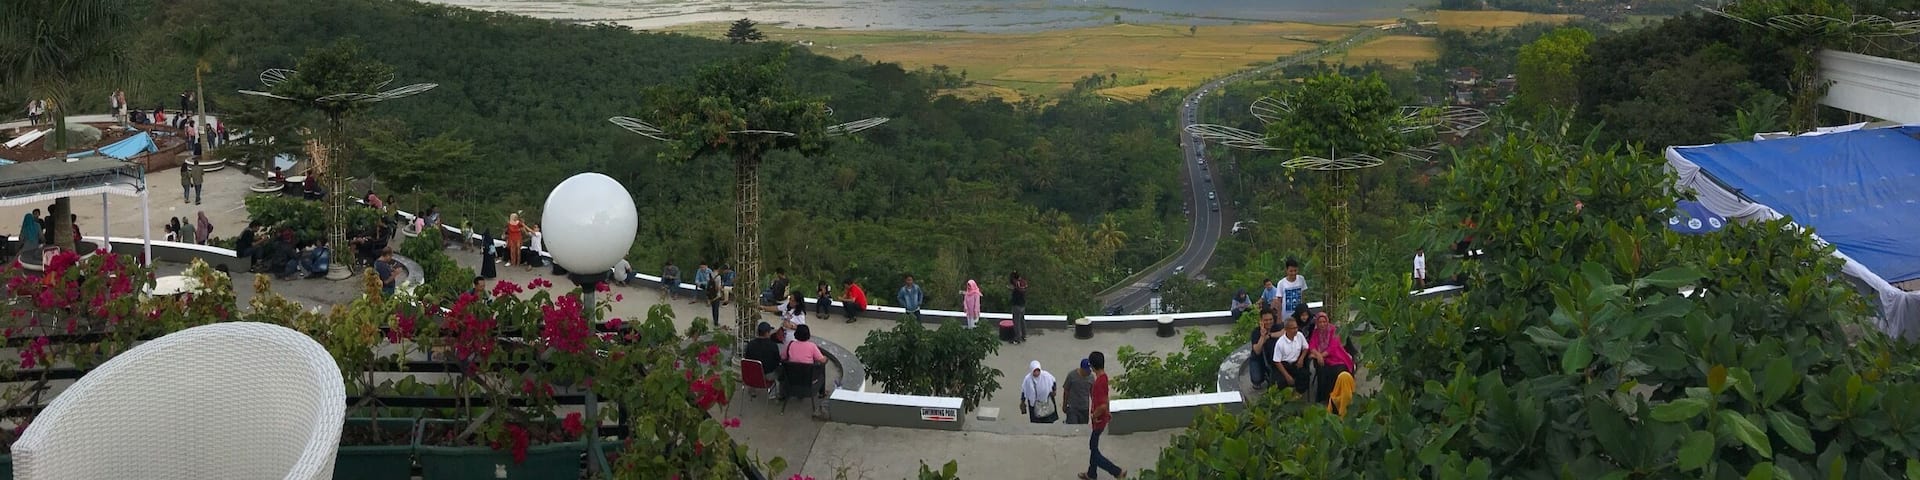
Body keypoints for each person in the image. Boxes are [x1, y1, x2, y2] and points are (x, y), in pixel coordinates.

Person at [1082, 351, 1124, 480]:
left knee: (1094, 450)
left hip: (1099, 421)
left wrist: (1094, 416)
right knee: (1093, 447)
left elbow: (1102, 406)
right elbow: (1106, 399)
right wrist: (1108, 412)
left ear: (1092, 366)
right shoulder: (1104, 378)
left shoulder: (1098, 383)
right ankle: (1091, 474)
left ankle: (1117, 472)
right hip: (1103, 418)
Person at [1306, 311, 1353, 404]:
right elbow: (1312, 346)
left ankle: (1338, 396)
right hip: (1323, 358)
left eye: (1324, 322)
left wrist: (1319, 355)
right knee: (1322, 370)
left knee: (1339, 371)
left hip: (1337, 357)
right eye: (1320, 322)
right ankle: (1324, 398)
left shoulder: (1333, 330)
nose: (1322, 324)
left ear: (1327, 321)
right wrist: (1318, 355)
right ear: (1317, 323)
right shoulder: (1316, 332)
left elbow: (1333, 347)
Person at [782, 324, 829, 397]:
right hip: (808, 379)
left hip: (792, 378)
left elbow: (782, 357)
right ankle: (822, 392)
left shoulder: (790, 345)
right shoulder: (812, 346)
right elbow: (822, 360)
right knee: (822, 366)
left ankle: (783, 393)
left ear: (796, 334)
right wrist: (825, 358)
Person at [1272, 316, 1310, 396]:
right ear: (1286, 329)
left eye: (1296, 327)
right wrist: (1287, 376)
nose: (1295, 330)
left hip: (1296, 363)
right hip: (1284, 365)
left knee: (1305, 375)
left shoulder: (1299, 335)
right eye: (1293, 328)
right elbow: (1277, 361)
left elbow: (1306, 347)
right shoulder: (1280, 343)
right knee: (1281, 381)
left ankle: (1298, 393)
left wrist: (1301, 358)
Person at [1248, 309, 1281, 389]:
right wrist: (1263, 336)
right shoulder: (1256, 332)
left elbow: (1285, 332)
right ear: (1261, 321)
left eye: (1270, 319)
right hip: (1258, 359)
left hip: (1272, 357)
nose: (1268, 322)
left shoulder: (1277, 327)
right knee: (1256, 380)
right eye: (1266, 320)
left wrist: (1269, 335)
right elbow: (1257, 351)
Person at [746, 322, 784, 388]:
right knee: (783, 368)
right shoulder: (773, 345)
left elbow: (747, 358)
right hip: (768, 375)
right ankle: (780, 390)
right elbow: (777, 361)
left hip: (752, 374)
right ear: (767, 333)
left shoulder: (750, 344)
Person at [1063, 358, 1094, 424]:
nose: (1088, 372)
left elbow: (1092, 393)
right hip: (1072, 407)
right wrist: (1064, 405)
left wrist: (1094, 407)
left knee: (1083, 427)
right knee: (1073, 426)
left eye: (1090, 370)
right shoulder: (1072, 376)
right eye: (1087, 371)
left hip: (1084, 408)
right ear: (1082, 369)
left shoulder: (1091, 377)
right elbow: (1066, 390)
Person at [1009, 272, 1030, 343]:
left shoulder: (1016, 285)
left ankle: (1017, 339)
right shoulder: (1022, 283)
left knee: (1016, 322)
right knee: (1022, 321)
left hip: (1016, 306)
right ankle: (1024, 336)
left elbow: (1015, 294)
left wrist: (1012, 289)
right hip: (1022, 305)